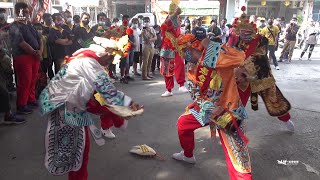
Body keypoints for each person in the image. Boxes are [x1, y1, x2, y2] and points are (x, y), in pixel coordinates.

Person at [40, 35, 142, 180]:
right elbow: (108, 92)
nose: (110, 62)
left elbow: (95, 97)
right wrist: (129, 104)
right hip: (68, 112)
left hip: (66, 109)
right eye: (110, 58)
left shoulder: (82, 58)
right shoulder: (89, 63)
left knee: (77, 154)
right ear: (106, 54)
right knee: (80, 154)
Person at [168, 33, 252, 179]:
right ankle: (188, 155)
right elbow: (194, 92)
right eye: (182, 53)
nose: (184, 55)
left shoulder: (216, 55)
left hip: (229, 109)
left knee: (238, 157)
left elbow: (240, 57)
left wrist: (213, 47)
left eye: (185, 51)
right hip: (207, 109)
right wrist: (206, 105)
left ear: (195, 46)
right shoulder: (192, 67)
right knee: (183, 123)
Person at [231, 10, 294, 132]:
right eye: (241, 33)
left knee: (273, 98)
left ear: (252, 31)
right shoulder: (239, 42)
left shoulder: (261, 40)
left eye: (247, 32)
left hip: (261, 75)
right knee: (237, 101)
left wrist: (242, 62)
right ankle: (235, 125)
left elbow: (259, 55)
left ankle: (286, 119)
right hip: (244, 77)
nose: (244, 35)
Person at [9, 2, 43, 114]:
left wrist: (40, 52)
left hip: (34, 56)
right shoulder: (14, 26)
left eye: (28, 12)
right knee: (25, 81)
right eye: (24, 12)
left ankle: (31, 99)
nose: (27, 14)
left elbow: (40, 39)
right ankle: (22, 104)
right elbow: (21, 43)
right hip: (23, 57)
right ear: (17, 12)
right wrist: (35, 52)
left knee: (33, 79)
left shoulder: (30, 25)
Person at [160, 1, 188, 97]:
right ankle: (168, 89)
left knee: (179, 64)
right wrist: (175, 14)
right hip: (167, 47)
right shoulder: (170, 19)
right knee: (166, 68)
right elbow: (168, 25)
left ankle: (181, 85)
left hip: (176, 46)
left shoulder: (176, 19)